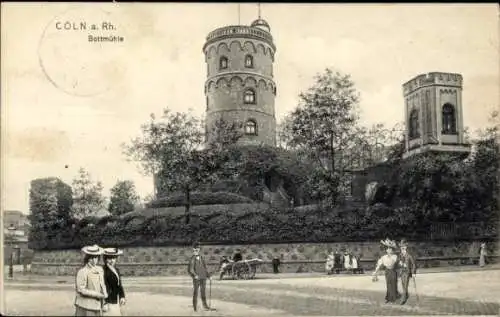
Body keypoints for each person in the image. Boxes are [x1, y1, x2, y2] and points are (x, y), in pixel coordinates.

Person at [74, 245, 107, 316]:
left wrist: (104, 300)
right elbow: (81, 289)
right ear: (88, 258)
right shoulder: (83, 271)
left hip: (97, 305)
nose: (94, 260)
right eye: (92, 258)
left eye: (96, 257)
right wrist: (97, 295)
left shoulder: (100, 269)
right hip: (86, 305)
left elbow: (102, 285)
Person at [187, 242, 214, 312]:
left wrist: (209, 276)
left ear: (199, 249)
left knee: (203, 292)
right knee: (195, 292)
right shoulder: (192, 258)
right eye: (195, 249)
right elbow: (190, 269)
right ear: (193, 249)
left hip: (203, 277)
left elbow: (205, 268)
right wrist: (195, 275)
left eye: (198, 249)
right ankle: (195, 307)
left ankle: (205, 306)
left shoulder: (201, 257)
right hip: (196, 279)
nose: (196, 250)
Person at [372, 238, 401, 304]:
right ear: (386, 250)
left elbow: (393, 262)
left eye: (390, 249)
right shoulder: (383, 257)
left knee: (393, 283)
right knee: (388, 284)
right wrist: (375, 272)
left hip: (393, 271)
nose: (388, 250)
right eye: (387, 249)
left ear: (392, 250)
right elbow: (379, 265)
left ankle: (394, 297)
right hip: (387, 271)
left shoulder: (395, 256)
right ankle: (388, 297)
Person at [102, 248, 126, 316]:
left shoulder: (116, 270)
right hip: (108, 302)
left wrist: (122, 296)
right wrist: (105, 303)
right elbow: (103, 287)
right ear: (105, 259)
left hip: (116, 300)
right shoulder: (103, 270)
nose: (112, 261)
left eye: (114, 258)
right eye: (109, 258)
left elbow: (119, 285)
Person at [398, 240, 416, 305]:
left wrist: (413, 273)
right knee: (403, 285)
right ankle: (406, 295)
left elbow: (413, 264)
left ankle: (403, 299)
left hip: (407, 273)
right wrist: (400, 264)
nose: (402, 249)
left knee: (405, 285)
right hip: (402, 272)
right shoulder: (400, 255)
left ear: (406, 248)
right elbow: (398, 264)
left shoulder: (409, 256)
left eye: (403, 247)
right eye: (401, 247)